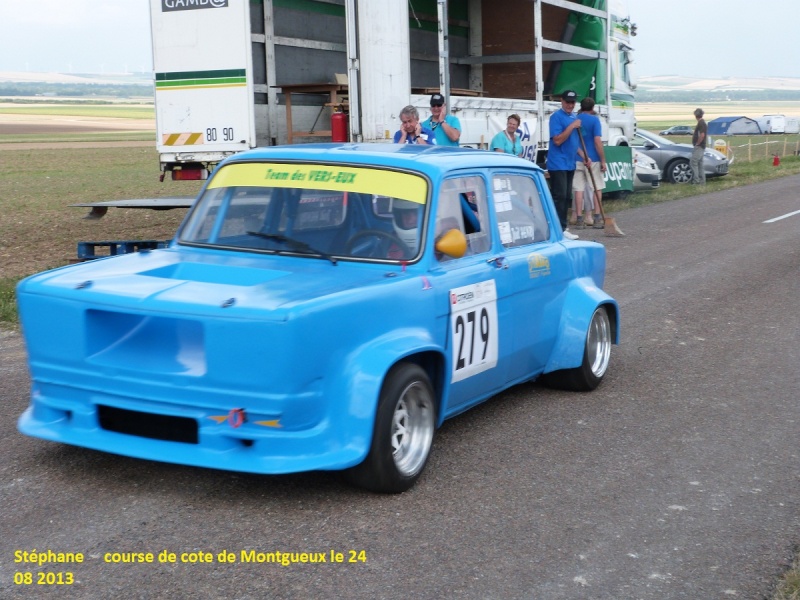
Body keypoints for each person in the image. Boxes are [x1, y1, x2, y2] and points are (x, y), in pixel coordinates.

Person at [546, 90, 583, 240]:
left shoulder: (573, 117)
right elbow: (558, 140)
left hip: (569, 162)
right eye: (567, 102)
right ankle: (557, 228)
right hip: (558, 163)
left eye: (572, 102)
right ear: (561, 101)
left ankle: (562, 226)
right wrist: (572, 126)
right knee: (559, 196)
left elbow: (574, 143)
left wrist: (584, 156)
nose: (570, 105)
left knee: (567, 196)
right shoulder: (556, 117)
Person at [573, 97, 606, 229]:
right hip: (593, 158)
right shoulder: (595, 120)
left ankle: (579, 218)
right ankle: (597, 217)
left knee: (578, 189)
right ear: (593, 108)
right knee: (597, 187)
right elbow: (597, 141)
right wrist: (603, 160)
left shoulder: (575, 120)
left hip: (577, 157)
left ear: (581, 107)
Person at [691, 107, 707, 184]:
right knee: (700, 163)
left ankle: (696, 180)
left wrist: (697, 143)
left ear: (696, 115)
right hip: (702, 146)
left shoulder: (701, 123)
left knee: (693, 162)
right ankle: (702, 181)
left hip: (699, 146)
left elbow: (702, 135)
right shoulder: (702, 122)